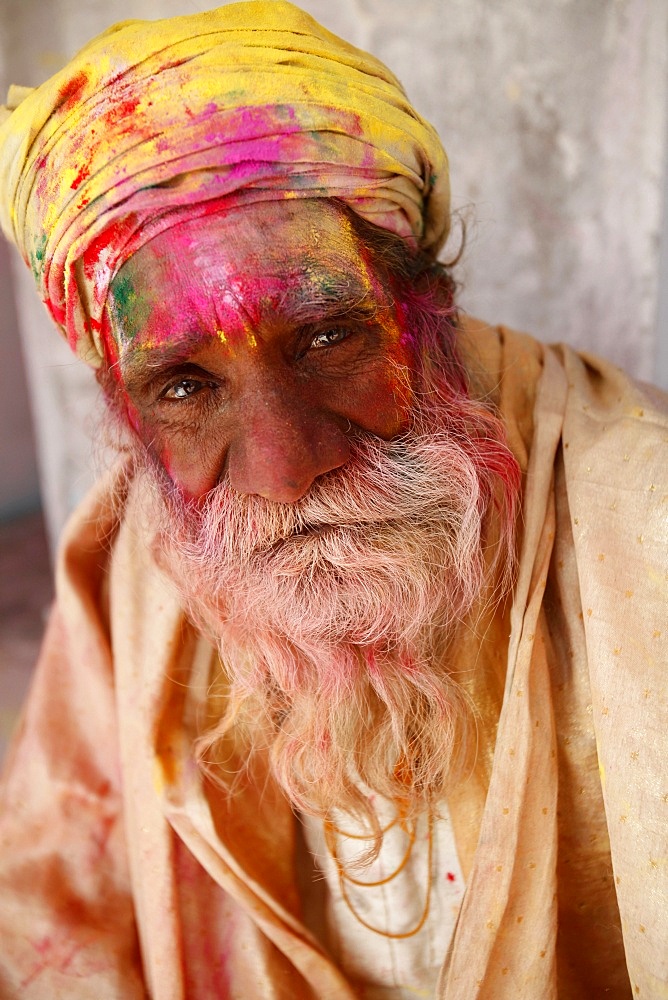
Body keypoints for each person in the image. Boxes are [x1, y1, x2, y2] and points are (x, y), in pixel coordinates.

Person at [0, 3, 665, 998]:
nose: (283, 469)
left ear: (426, 306)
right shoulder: (124, 555)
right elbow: (50, 907)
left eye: (324, 337)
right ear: (128, 410)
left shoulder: (643, 516)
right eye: (185, 386)